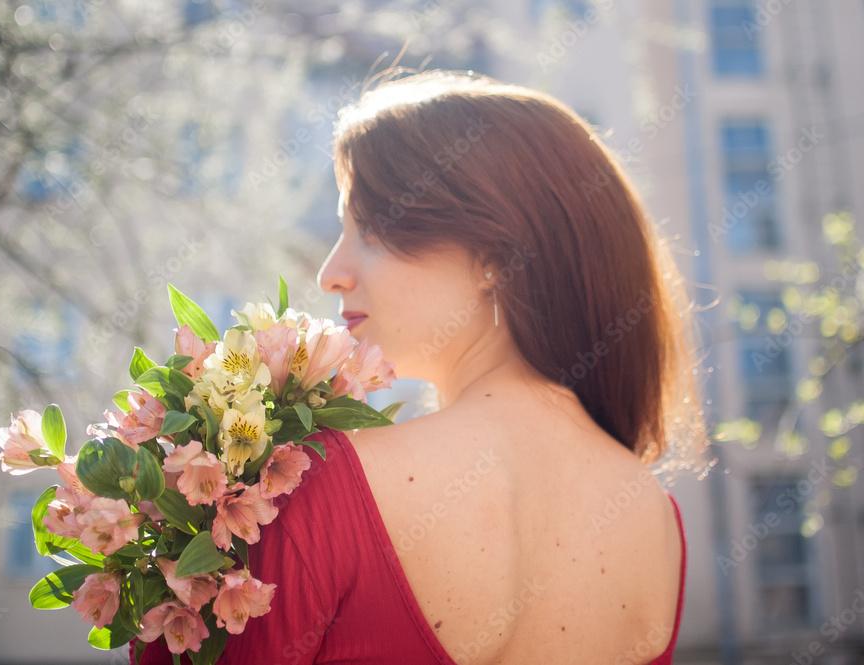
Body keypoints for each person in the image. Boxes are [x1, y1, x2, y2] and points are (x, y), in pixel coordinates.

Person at [132, 68, 707, 665]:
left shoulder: (318, 484)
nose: (331, 272)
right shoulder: (654, 520)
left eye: (373, 229)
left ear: (493, 257)